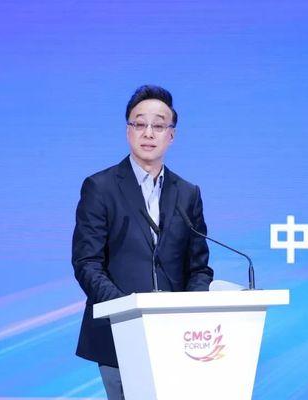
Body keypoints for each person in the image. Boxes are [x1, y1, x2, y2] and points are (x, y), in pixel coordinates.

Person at [71, 85, 214, 399]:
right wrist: (127, 312)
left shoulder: (187, 193)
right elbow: (87, 263)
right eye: (140, 123)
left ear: (171, 135)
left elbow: (199, 268)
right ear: (128, 131)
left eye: (159, 125)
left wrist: (189, 314)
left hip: (177, 338)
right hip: (118, 333)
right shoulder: (100, 187)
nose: (148, 132)